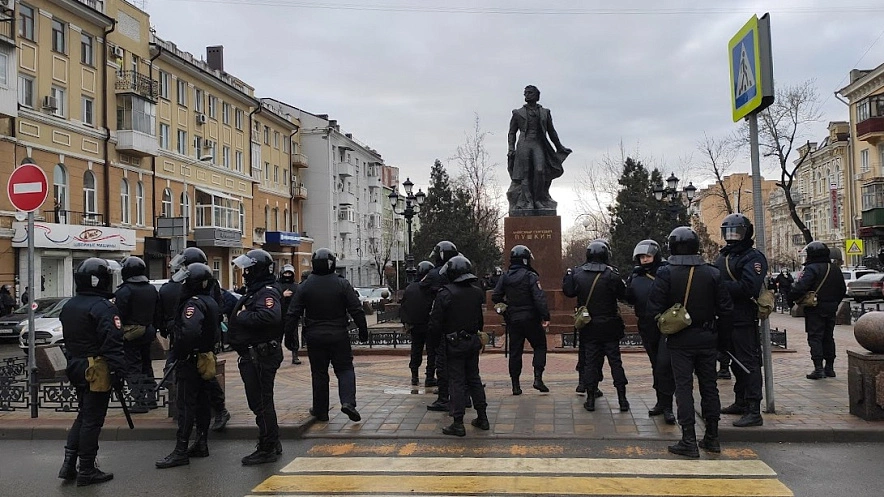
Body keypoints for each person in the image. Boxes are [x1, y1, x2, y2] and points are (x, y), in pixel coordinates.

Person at [648, 227, 733, 458]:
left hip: (679, 340)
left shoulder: (666, 273)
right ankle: (713, 437)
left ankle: (688, 440)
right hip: (708, 338)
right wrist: (722, 343)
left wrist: (665, 324)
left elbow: (654, 307)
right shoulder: (712, 273)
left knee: (683, 387)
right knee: (709, 387)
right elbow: (726, 310)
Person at [58, 258, 124, 486]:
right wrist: (118, 371)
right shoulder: (104, 307)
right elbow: (112, 341)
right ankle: (86, 469)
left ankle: (68, 465)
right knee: (93, 419)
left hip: (76, 365)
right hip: (96, 368)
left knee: (83, 415)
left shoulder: (70, 305)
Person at [286, 248, 367, 423]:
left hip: (314, 336)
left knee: (319, 373)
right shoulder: (341, 284)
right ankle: (348, 402)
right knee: (344, 369)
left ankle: (321, 411)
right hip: (339, 334)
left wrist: (288, 336)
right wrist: (363, 330)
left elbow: (293, 313)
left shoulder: (306, 285)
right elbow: (356, 309)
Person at [156, 263, 220, 469]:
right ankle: (201, 443)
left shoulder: (193, 303)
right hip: (204, 358)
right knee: (202, 403)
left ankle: (180, 450)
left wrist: (181, 351)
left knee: (185, 405)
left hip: (190, 361)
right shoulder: (209, 300)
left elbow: (190, 330)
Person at [160, 247, 231, 432]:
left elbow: (215, 310)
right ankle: (186, 412)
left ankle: (217, 410)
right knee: (187, 374)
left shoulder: (207, 285)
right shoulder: (179, 285)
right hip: (183, 336)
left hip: (200, 339)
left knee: (206, 374)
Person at [229, 249, 285, 465]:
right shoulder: (256, 291)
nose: (245, 274)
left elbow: (270, 316)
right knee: (260, 401)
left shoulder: (266, 292)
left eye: (248, 270)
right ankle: (272, 441)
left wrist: (243, 315)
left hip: (261, 356)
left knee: (261, 402)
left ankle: (267, 447)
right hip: (254, 354)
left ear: (257, 270)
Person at [715, 213, 767, 428]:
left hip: (744, 318)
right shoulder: (724, 255)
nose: (733, 236)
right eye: (729, 232)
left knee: (749, 363)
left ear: (746, 232)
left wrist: (718, 288)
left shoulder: (752, 257)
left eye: (737, 231)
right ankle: (740, 400)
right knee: (734, 363)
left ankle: (754, 409)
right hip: (725, 317)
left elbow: (749, 287)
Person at [563, 241, 629, 412]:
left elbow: (568, 291)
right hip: (609, 326)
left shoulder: (578, 274)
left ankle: (591, 399)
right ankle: (622, 399)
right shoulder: (612, 275)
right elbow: (624, 295)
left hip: (589, 326)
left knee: (590, 362)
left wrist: (568, 275)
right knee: (616, 363)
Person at [429, 255, 488, 436]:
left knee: (456, 381)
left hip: (453, 344)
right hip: (472, 342)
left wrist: (433, 344)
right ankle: (482, 417)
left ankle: (457, 422)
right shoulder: (476, 292)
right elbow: (479, 322)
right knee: (474, 379)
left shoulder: (445, 293)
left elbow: (435, 323)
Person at [625, 239, 676, 425]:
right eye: (641, 257)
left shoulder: (665, 272)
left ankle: (669, 406)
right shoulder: (636, 277)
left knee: (664, 365)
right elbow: (629, 298)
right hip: (646, 326)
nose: (645, 260)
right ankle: (661, 402)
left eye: (647, 256)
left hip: (665, 325)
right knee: (656, 365)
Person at [492, 245, 550, 395]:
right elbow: (539, 298)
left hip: (514, 319)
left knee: (515, 352)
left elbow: (495, 296)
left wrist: (506, 310)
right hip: (531, 318)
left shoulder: (505, 276)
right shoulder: (530, 276)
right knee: (540, 346)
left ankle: (515, 385)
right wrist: (545, 316)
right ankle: (538, 378)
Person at [506, 85, 572, 214]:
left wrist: (559, 147)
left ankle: (538, 200)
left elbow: (551, 131)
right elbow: (512, 132)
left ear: (537, 95)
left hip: (538, 144)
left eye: (530, 93)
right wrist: (510, 148)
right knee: (525, 173)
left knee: (540, 171)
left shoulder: (545, 112)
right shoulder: (517, 113)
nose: (527, 95)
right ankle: (528, 202)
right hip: (524, 144)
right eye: (525, 93)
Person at [788, 241, 846, 379]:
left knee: (815, 337)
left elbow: (801, 287)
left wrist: (791, 297)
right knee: (828, 337)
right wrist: (834, 303)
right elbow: (842, 289)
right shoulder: (834, 268)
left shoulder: (811, 268)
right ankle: (830, 368)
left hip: (815, 308)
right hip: (831, 307)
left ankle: (818, 368)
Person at [114, 256, 160, 414]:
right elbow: (157, 311)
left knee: (132, 367)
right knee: (147, 365)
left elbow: (118, 314)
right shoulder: (150, 288)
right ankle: (152, 397)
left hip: (130, 333)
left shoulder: (125, 290)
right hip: (148, 330)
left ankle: (139, 401)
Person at [425, 240, 460, 411]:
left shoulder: (434, 274)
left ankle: (443, 398)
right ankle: (465, 396)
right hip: (462, 324)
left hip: (443, 325)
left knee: (442, 361)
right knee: (464, 364)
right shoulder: (462, 273)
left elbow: (421, 286)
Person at [400, 261, 436, 386]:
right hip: (429, 324)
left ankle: (414, 376)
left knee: (416, 350)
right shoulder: (430, 287)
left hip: (415, 325)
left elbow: (404, 306)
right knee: (432, 352)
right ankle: (429, 377)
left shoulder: (410, 287)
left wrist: (407, 323)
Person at [277, 264, 301, 365]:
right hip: (279, 315)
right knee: (278, 336)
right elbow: (272, 298)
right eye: (285, 273)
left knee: (293, 335)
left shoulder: (296, 286)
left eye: (289, 273)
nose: (287, 275)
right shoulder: (277, 285)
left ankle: (295, 355)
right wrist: (282, 295)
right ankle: (277, 355)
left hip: (292, 315)